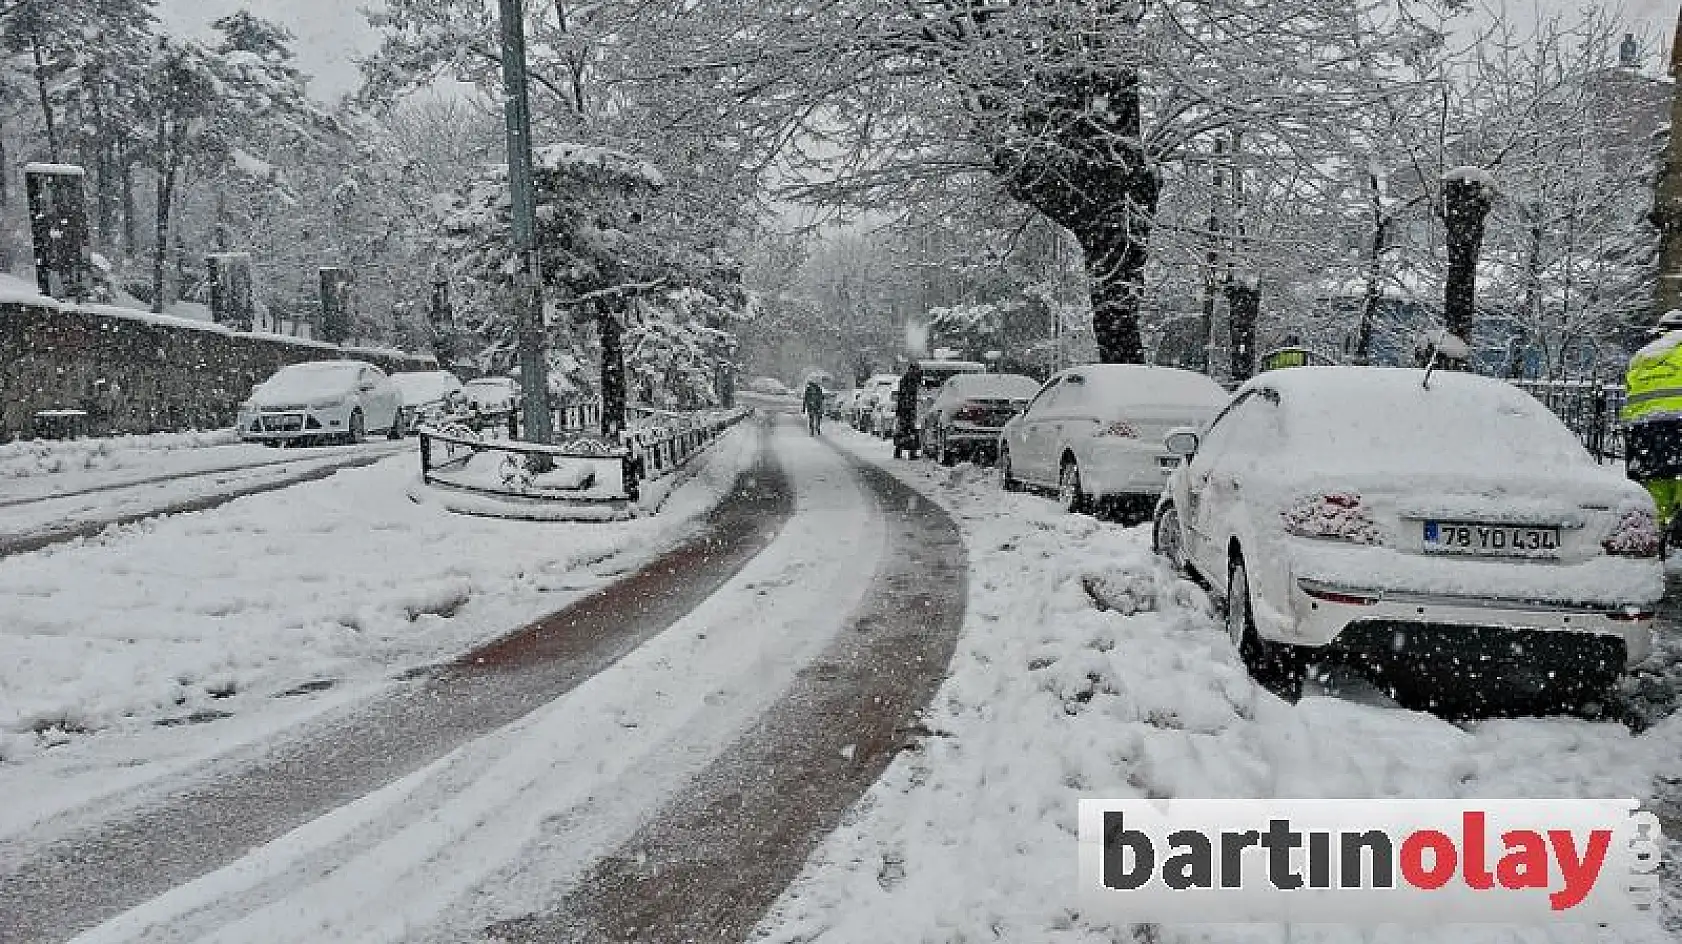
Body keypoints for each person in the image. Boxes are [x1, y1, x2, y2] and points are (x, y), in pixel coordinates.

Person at [1622, 310, 1682, 535]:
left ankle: (1659, 537)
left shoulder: (1640, 358)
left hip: (1643, 434)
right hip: (1679, 428)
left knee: (1654, 494)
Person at [892, 361, 923, 459]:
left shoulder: (907, 380)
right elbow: (905, 395)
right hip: (908, 409)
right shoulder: (911, 380)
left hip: (906, 409)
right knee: (910, 431)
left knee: (905, 431)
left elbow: (902, 395)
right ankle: (909, 451)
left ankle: (900, 450)